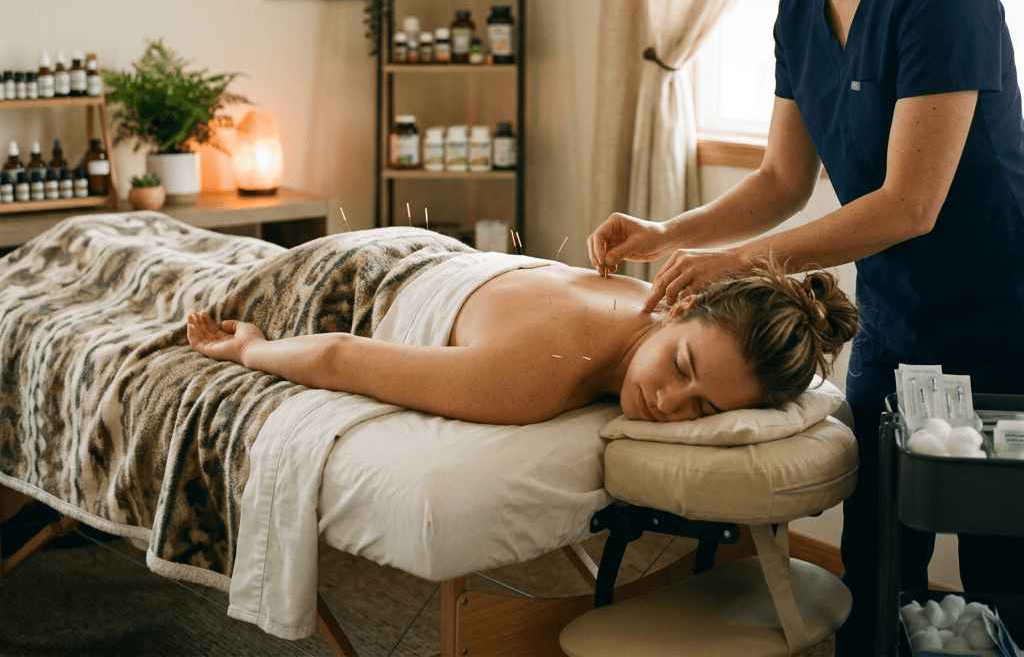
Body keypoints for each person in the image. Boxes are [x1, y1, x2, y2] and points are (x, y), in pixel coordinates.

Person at [588, 0, 1024, 654]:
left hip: (999, 317)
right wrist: (666, 232)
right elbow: (782, 180)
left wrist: (742, 263)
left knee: (997, 573)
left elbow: (910, 203)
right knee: (875, 556)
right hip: (896, 321)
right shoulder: (799, 5)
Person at [188, 246, 856, 426]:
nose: (670, 403)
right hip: (353, 278)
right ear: (679, 307)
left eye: (704, 409)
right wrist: (247, 348)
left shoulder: (638, 304)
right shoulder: (534, 376)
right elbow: (339, 354)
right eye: (681, 368)